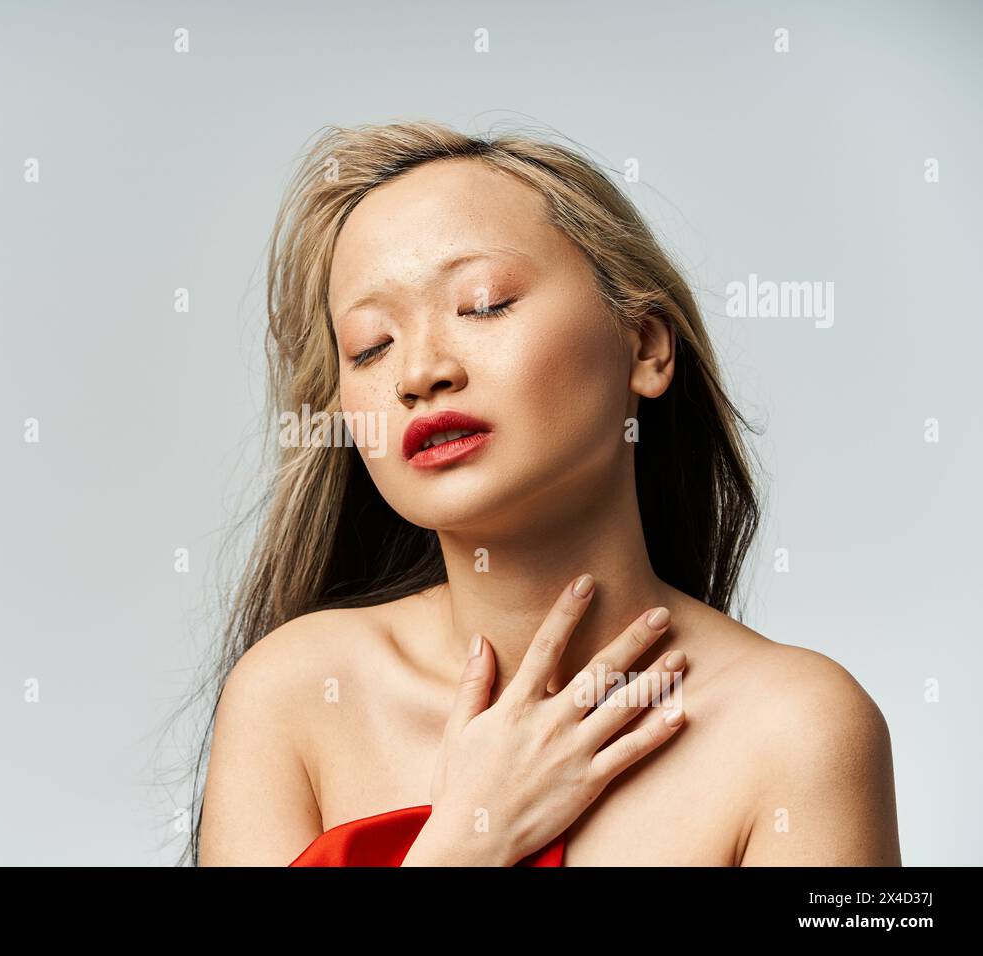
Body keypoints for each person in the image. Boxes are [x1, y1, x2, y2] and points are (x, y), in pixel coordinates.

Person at [190, 121, 900, 866]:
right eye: (371, 346)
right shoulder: (296, 694)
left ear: (647, 346)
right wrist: (471, 842)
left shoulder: (797, 729)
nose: (417, 374)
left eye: (484, 303)